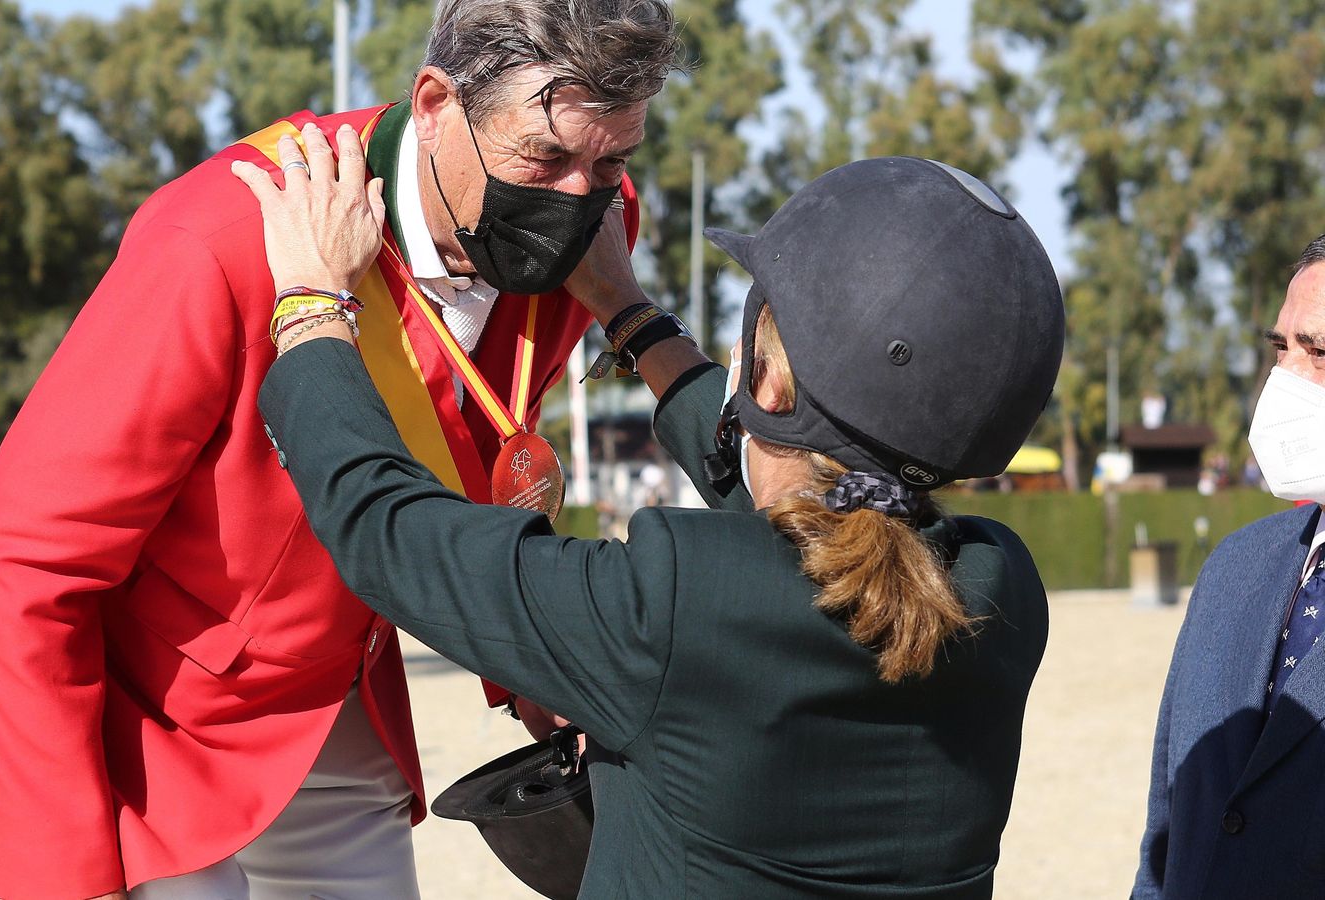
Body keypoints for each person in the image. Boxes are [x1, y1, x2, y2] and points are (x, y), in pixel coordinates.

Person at [0, 1, 680, 896]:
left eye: (611, 159)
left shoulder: (597, 219)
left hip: (348, 701)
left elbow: (474, 453)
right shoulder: (219, 241)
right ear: (433, 104)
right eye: (543, 157)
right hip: (155, 736)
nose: (578, 197)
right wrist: (61, 866)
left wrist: (541, 672)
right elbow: (25, 556)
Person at [243, 145, 1065, 896]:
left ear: (769, 389)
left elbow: (392, 532)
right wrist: (622, 309)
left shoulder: (675, 602)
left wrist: (312, 300)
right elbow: (817, 517)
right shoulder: (1000, 591)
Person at [1133, 234, 1325, 898]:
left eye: (1320, 352)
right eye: (1281, 348)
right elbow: (1165, 829)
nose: (1287, 380)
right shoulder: (1233, 568)